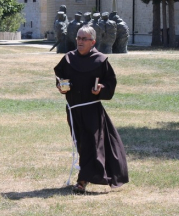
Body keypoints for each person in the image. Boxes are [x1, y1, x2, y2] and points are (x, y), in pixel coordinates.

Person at [54, 25, 129, 193]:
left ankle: (82, 180)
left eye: (83, 39)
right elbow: (60, 77)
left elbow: (110, 82)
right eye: (78, 38)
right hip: (73, 110)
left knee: (91, 144)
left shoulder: (101, 60)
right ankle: (87, 176)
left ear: (92, 42)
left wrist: (101, 88)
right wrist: (62, 86)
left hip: (91, 110)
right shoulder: (68, 59)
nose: (80, 41)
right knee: (82, 143)